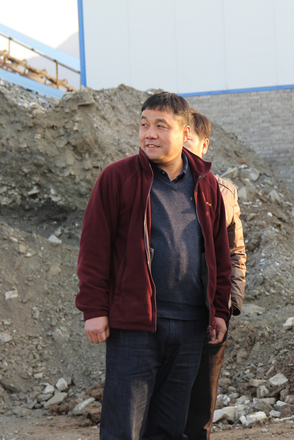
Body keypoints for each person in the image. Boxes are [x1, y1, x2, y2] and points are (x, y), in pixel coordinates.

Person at [76, 92, 232, 440]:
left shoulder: (206, 184)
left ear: (185, 132)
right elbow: (94, 249)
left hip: (190, 325)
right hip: (136, 324)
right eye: (144, 125)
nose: (149, 134)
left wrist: (219, 310)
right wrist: (94, 309)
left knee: (169, 429)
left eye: (161, 126)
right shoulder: (117, 178)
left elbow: (219, 254)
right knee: (124, 428)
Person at [182, 110, 247, 440]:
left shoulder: (223, 192)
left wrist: (228, 305)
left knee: (201, 400)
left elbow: (235, 252)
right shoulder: (147, 185)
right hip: (165, 312)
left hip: (208, 310)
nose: (180, 145)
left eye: (188, 139)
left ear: (204, 145)